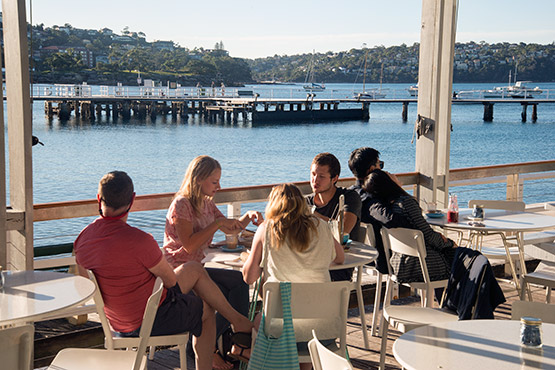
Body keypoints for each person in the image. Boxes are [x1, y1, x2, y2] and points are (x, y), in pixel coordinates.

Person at [74, 171, 253, 370]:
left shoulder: (82, 240)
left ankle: (237, 321)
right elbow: (170, 282)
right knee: (205, 309)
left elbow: (87, 287)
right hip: (149, 319)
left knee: (193, 268)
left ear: (99, 199)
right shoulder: (140, 241)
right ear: (132, 200)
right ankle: (231, 331)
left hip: (116, 323)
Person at [163, 155, 263, 368]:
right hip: (178, 273)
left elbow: (229, 227)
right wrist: (216, 224)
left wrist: (247, 216)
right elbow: (189, 245)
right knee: (216, 299)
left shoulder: (206, 204)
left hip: (200, 269)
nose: (219, 186)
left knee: (240, 281)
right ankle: (203, 348)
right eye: (215, 181)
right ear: (199, 179)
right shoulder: (182, 204)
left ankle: (238, 341)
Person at [242, 183, 344, 370]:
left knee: (259, 320)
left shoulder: (267, 228)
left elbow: (249, 277)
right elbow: (340, 257)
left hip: (282, 332)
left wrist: (254, 257)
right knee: (303, 325)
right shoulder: (321, 226)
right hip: (326, 329)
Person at [363, 169, 458, 283]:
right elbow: (429, 236)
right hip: (421, 266)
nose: (394, 174)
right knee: (472, 259)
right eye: (389, 174)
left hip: (399, 266)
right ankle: (462, 299)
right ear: (388, 182)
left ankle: (449, 299)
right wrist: (450, 243)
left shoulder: (387, 209)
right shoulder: (406, 203)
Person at [306, 152, 361, 281]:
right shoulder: (306, 202)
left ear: (334, 178)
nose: (315, 180)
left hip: (339, 266)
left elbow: (343, 229)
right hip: (310, 262)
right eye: (313, 174)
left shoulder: (348, 197)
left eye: (321, 176)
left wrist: (312, 215)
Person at [348, 147, 401, 273]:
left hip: (362, 254)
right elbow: (393, 219)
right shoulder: (371, 199)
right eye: (380, 165)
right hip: (387, 260)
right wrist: (397, 189)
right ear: (372, 169)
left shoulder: (350, 193)